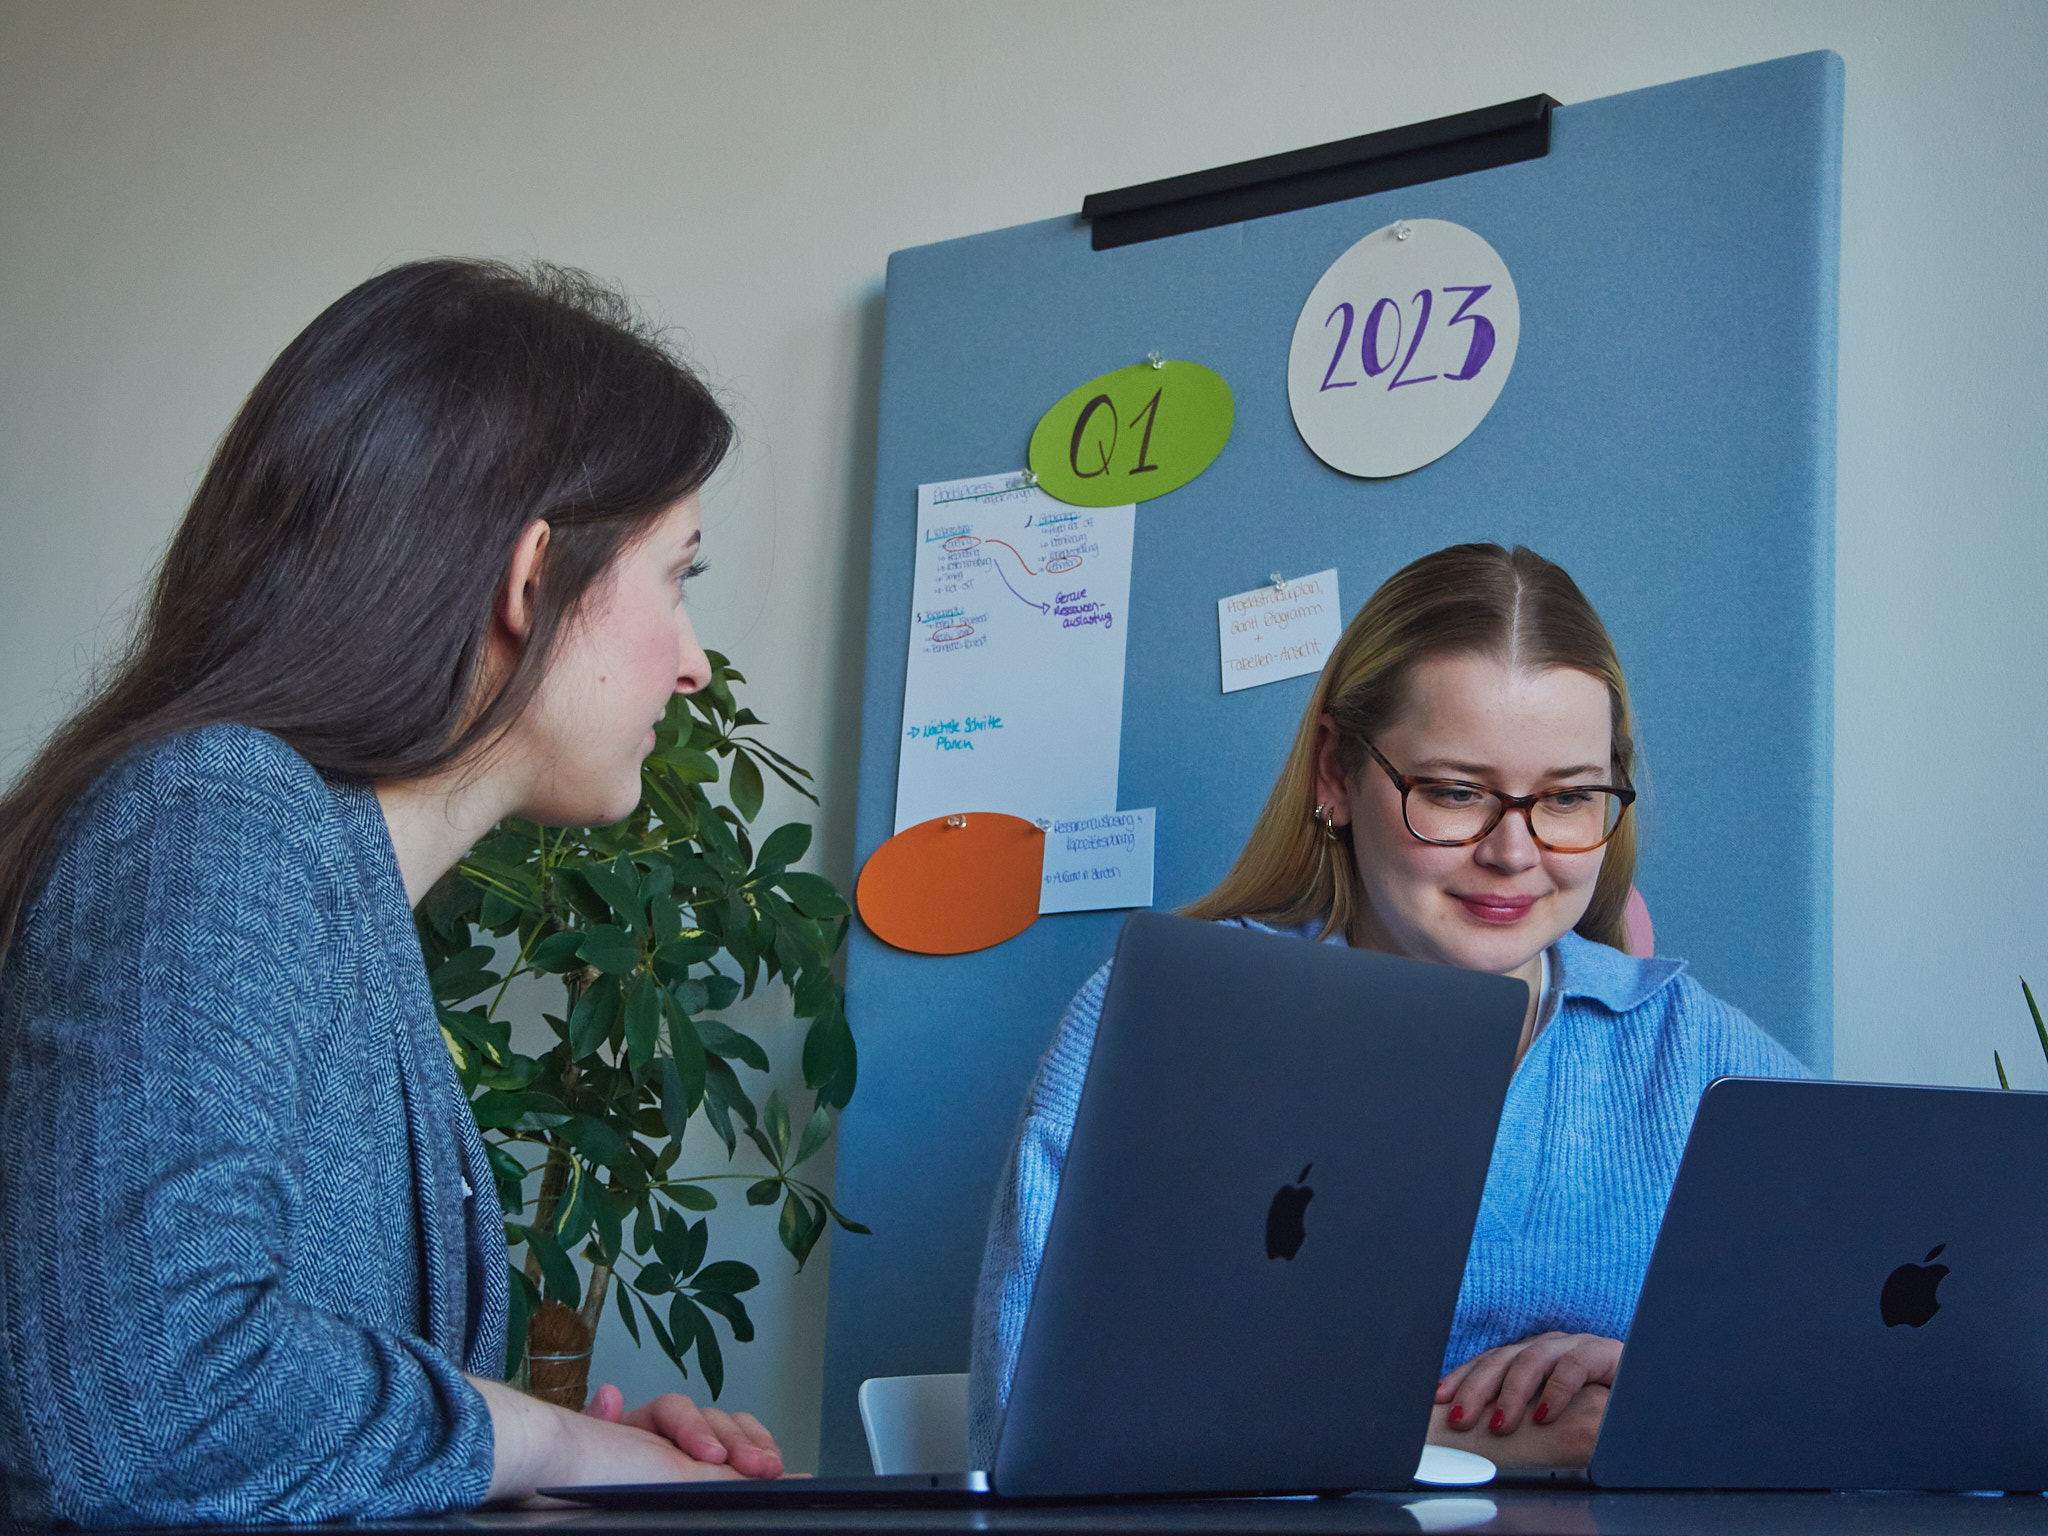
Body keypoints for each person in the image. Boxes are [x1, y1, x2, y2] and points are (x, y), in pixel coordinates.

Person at [0, 260, 790, 1526]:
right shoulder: (220, 819)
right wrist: (559, 1450)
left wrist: (531, 1459)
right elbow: (152, 1403)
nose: (694, 664)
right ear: (536, 579)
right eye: (677, 576)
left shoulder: (325, 882)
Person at [968, 543, 1808, 1474]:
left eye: (1569, 798)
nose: (1514, 852)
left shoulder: (1700, 1057)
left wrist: (1664, 1395)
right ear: (1336, 772)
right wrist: (1451, 1441)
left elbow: (1891, 1405)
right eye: (1454, 792)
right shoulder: (1156, 1030)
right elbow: (1028, 1429)